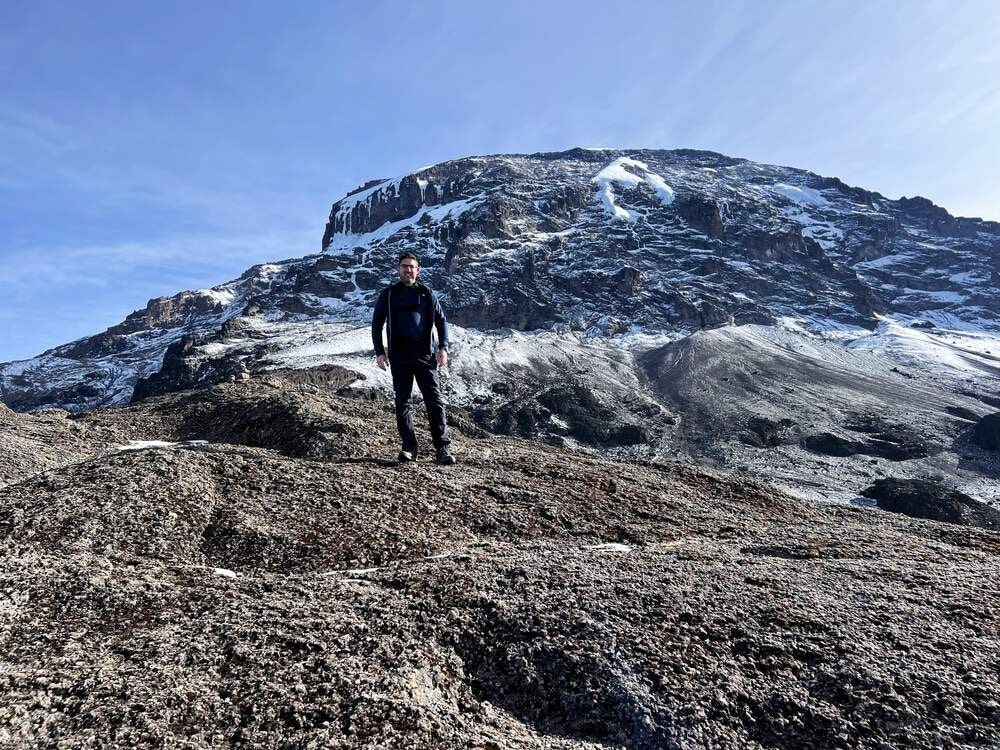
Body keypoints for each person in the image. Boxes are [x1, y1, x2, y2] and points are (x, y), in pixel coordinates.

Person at [371, 252, 456, 465]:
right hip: (399, 356)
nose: (408, 270)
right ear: (398, 269)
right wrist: (379, 351)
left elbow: (442, 321)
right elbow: (376, 323)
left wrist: (443, 347)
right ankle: (409, 447)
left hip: (425, 355)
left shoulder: (427, 293)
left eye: (412, 267)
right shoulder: (389, 294)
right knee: (403, 402)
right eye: (404, 266)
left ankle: (442, 449)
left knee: (434, 401)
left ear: (418, 270)